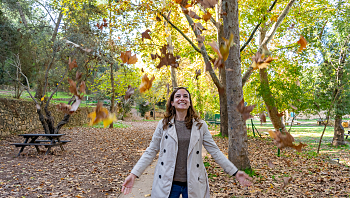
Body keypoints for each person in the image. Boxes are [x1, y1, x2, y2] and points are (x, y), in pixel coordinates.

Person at [121, 87, 252, 198]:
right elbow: (151, 151)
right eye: (178, 96)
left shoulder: (200, 126)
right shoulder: (163, 125)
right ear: (172, 102)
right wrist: (134, 174)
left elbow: (215, 152)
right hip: (168, 182)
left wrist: (234, 172)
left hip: (193, 181)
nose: (182, 98)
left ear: (189, 103)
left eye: (185, 96)